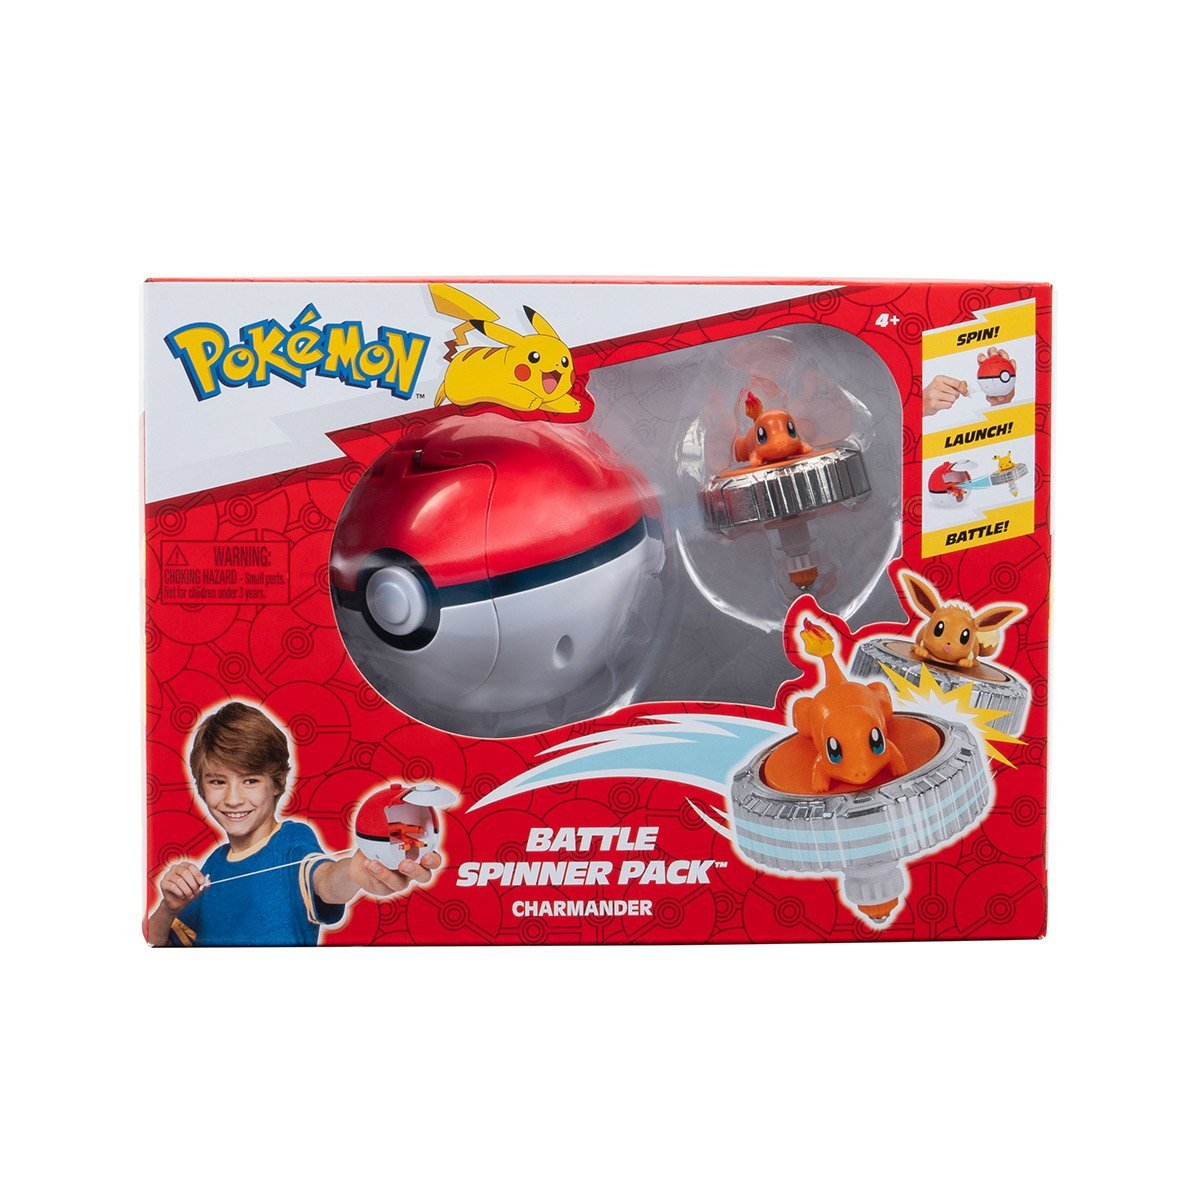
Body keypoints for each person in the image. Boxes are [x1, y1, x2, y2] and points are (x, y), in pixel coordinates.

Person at [145, 702, 440, 946]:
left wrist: (354, 871)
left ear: (276, 783)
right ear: (201, 787)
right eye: (217, 782)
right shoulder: (213, 865)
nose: (233, 799)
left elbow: (324, 879)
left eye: (250, 781)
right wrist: (168, 907)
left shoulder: (292, 841)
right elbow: (158, 944)